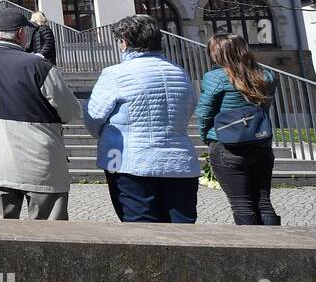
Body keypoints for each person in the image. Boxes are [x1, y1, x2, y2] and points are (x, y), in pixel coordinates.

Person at [0, 7, 81, 219]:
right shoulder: (39, 66)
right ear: (21, 33)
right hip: (41, 165)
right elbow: (71, 112)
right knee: (52, 239)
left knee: (0, 238)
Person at [84, 14, 199, 223]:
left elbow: (94, 117)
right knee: (183, 230)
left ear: (125, 42)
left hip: (129, 162)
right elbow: (190, 107)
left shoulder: (115, 74)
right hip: (179, 161)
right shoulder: (179, 72)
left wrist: (101, 135)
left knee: (140, 226)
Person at [196, 33, 281, 225]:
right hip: (260, 142)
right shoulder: (266, 75)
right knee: (264, 202)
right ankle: (275, 246)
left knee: (241, 204)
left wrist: (207, 137)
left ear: (217, 53)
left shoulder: (214, 77)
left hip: (227, 144)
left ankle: (252, 250)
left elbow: (204, 113)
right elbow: (263, 108)